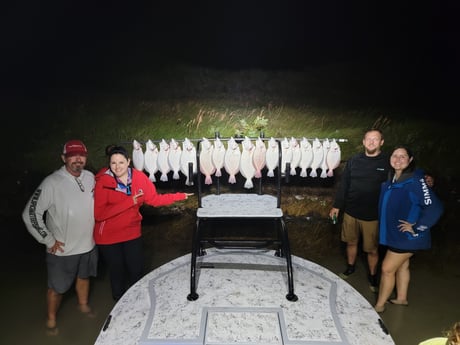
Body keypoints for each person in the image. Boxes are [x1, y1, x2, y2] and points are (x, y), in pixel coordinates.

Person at [94, 145, 193, 301]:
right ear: (109, 164)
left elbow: (154, 199)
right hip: (108, 236)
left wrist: (179, 196)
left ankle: (138, 301)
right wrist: (129, 202)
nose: (117, 166)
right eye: (113, 163)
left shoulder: (139, 177)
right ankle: (118, 304)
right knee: (117, 271)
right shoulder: (103, 182)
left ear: (128, 161)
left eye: (121, 162)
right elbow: (99, 215)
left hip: (131, 232)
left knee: (136, 270)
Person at [22, 140, 97, 334]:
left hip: (88, 245)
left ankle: (82, 305)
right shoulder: (52, 182)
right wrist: (47, 240)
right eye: (72, 155)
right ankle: (51, 318)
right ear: (64, 158)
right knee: (57, 288)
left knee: (84, 277)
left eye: (81, 155)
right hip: (62, 250)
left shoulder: (90, 177)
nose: (77, 159)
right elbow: (30, 213)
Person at [374, 146, 444, 313]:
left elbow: (435, 208)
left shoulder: (416, 181)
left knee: (387, 269)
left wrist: (417, 228)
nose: (398, 159)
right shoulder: (393, 178)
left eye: (403, 156)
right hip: (395, 234)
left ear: (410, 160)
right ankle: (401, 298)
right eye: (395, 155)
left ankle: (379, 306)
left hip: (406, 237)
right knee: (403, 266)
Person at [329, 128, 390, 292]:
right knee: (351, 242)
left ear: (381, 142)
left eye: (375, 139)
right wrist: (337, 206)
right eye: (368, 139)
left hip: (373, 215)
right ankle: (350, 267)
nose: (371, 142)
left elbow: (400, 180)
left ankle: (372, 276)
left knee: (372, 249)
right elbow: (344, 185)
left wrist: (427, 178)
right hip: (351, 211)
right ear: (363, 142)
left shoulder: (387, 162)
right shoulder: (354, 160)